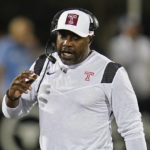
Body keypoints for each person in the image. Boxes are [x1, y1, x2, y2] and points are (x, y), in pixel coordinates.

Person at [2, 8, 147, 150]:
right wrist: (11, 97)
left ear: (90, 39)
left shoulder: (109, 72)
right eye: (62, 36)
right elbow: (12, 113)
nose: (67, 43)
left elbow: (132, 128)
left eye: (75, 37)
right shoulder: (42, 65)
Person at [108, 16, 150, 111]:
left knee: (144, 110)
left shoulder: (144, 42)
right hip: (125, 82)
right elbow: (116, 62)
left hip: (143, 84)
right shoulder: (117, 43)